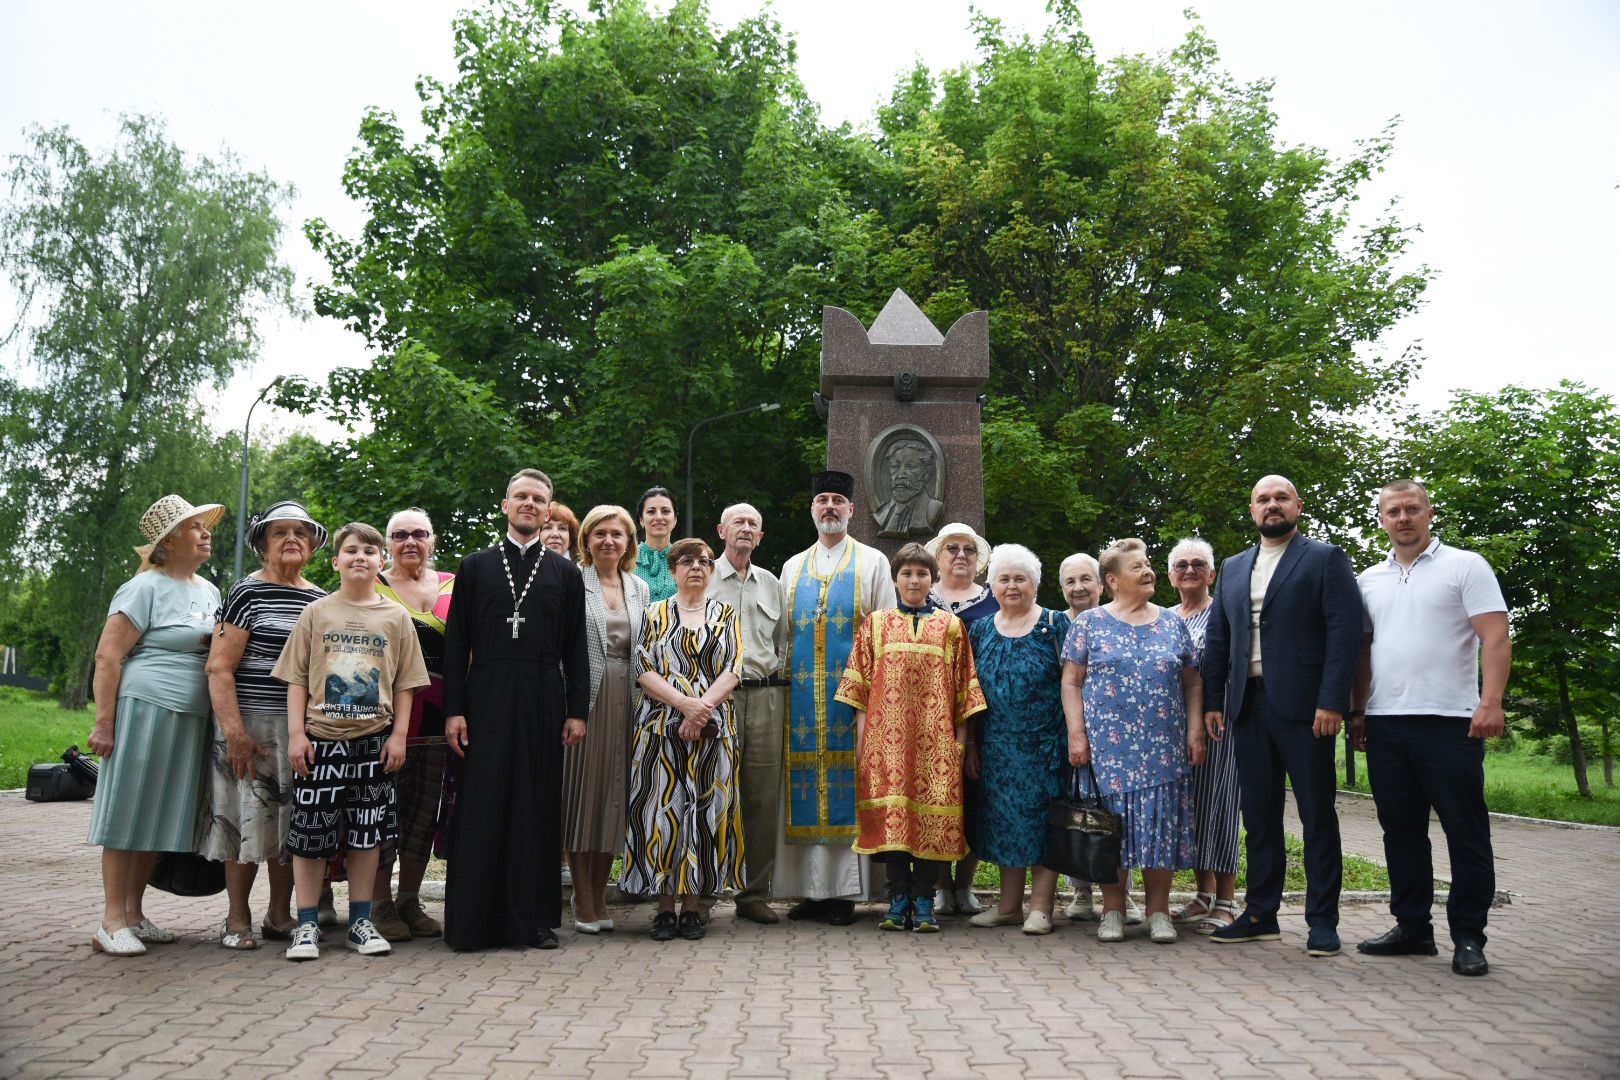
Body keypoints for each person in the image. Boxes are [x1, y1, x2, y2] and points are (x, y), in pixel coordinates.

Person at [1351, 479, 1511, 977]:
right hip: (1385, 724)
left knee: (1465, 833)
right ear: (1381, 519)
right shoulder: (1368, 579)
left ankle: (1468, 936)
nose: (1403, 518)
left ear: (1429, 513)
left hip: (1451, 722)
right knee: (1400, 834)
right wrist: (1358, 712)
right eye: (1393, 511)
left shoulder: (1465, 565)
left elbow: (1496, 635)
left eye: (1412, 509)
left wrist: (1491, 702)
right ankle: (1413, 927)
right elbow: (1363, 652)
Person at [1202, 475, 1361, 957]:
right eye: (1263, 500)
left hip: (1306, 711)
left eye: (1281, 498)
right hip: (1247, 708)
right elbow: (1217, 639)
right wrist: (1213, 700)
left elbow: (1344, 633)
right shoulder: (1232, 567)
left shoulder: (1324, 559)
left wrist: (1333, 702)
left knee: (1317, 816)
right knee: (1260, 818)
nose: (1272, 505)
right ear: (1252, 510)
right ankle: (1259, 914)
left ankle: (1322, 922)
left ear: (1298, 505)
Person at [441, 469, 590, 950]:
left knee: (536, 803)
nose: (529, 504)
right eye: (521, 497)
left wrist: (577, 710)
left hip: (544, 694)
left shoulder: (565, 573)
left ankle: (532, 920)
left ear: (549, 511)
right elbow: (457, 642)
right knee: (483, 802)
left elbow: (576, 648)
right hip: (485, 691)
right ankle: (474, 922)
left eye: (539, 499)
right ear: (505, 505)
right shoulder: (475, 566)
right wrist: (454, 709)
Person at [272, 522, 429, 962]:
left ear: (382, 563)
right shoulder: (317, 613)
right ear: (337, 561)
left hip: (374, 743)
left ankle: (361, 921)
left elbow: (405, 684)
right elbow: (297, 679)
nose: (361, 557)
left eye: (370, 551)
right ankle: (306, 925)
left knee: (367, 834)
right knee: (309, 835)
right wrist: (297, 735)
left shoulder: (396, 617)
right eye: (352, 550)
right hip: (321, 742)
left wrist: (398, 737)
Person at [86, 495, 225, 956]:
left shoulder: (209, 591)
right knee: (129, 808)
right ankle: (110, 920)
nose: (206, 533)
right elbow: (109, 656)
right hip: (146, 706)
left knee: (164, 812)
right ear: (168, 540)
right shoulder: (142, 587)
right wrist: (104, 725)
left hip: (191, 716)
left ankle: (133, 913)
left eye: (206, 527)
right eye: (194, 527)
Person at [835, 543, 986, 932]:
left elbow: (963, 690)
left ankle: (923, 900)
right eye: (907, 574)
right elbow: (860, 687)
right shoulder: (876, 623)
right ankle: (897, 897)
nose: (914, 580)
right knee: (893, 821)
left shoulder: (951, 627)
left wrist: (960, 743)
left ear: (931, 579)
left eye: (921, 574)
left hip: (936, 744)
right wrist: (863, 739)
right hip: (886, 743)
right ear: (895, 579)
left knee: (931, 821)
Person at [1062, 538, 1204, 945]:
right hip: (1109, 749)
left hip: (1164, 746)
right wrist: (1077, 734)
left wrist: (1195, 730)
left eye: (1148, 565)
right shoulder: (1089, 623)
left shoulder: (1173, 622)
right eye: (1137, 567)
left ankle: (1159, 911)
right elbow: (1071, 682)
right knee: (1112, 830)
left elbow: (1193, 683)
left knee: (1161, 828)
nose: (1148, 572)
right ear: (1112, 580)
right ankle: (1113, 909)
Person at [772, 471, 898, 924]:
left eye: (837, 501)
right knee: (804, 788)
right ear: (812, 509)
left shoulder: (873, 563)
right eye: (821, 499)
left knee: (849, 787)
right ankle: (812, 893)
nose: (829, 507)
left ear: (851, 510)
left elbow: (885, 629)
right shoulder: (792, 566)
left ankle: (844, 893)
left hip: (854, 699)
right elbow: (782, 637)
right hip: (802, 698)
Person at [200, 500, 327, 950]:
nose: (293, 539)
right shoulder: (245, 593)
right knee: (244, 820)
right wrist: (234, 733)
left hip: (299, 730)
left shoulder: (318, 600)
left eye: (301, 532)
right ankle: (237, 918)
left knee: (293, 822)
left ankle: (279, 914)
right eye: (280, 532)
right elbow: (219, 668)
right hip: (249, 727)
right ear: (261, 544)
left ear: (312, 544)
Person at [622, 538, 744, 941]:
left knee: (706, 815)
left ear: (711, 571)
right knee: (661, 812)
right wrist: (685, 706)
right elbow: (642, 667)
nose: (696, 567)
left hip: (713, 732)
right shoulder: (653, 613)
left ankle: (693, 908)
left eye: (704, 561)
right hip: (659, 728)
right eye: (687, 561)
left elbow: (734, 668)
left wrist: (701, 709)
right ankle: (663, 908)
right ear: (672, 570)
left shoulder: (725, 614)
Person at [963, 544, 1068, 935]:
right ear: (991, 586)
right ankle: (1008, 906)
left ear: (1035, 584)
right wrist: (971, 744)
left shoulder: (1055, 625)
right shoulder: (980, 630)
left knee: (1044, 824)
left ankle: (1041, 907)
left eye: (1020, 578)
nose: (1012, 586)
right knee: (1006, 825)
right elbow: (970, 692)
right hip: (996, 746)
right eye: (1004, 579)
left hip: (1045, 745)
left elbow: (1074, 684)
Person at [368, 507, 457, 942]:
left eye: (419, 534)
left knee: (424, 813)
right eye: (400, 535)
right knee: (384, 811)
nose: (410, 542)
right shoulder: (372, 584)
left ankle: (409, 899)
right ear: (387, 543)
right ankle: (379, 903)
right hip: (386, 717)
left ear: (432, 540)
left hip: (441, 716)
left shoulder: (453, 585)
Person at [564, 504, 649, 933]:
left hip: (628, 699)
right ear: (587, 541)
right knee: (585, 796)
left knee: (616, 795)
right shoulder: (571, 582)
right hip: (587, 697)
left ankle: (601, 892)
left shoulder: (640, 588)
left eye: (617, 534)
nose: (608, 541)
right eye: (599, 534)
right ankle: (581, 895)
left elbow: (644, 650)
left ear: (629, 542)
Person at [707, 502, 788, 925]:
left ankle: (753, 893)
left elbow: (781, 642)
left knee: (761, 797)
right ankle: (700, 894)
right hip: (715, 701)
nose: (745, 528)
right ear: (721, 530)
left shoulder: (771, 584)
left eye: (753, 524)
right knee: (710, 791)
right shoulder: (703, 578)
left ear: (761, 536)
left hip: (764, 699)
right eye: (738, 522)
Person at [1165, 537, 1240, 934]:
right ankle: (1203, 893)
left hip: (1218, 724)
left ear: (1212, 574)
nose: (1190, 570)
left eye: (1198, 564)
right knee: (1192, 810)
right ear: (1171, 575)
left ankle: (1227, 901)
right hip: (1174, 729)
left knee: (1220, 806)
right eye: (1182, 565)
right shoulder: (1165, 617)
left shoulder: (1223, 616)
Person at [923, 523, 997, 915]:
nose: (960, 555)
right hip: (928, 716)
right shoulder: (921, 599)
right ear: (938, 556)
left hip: (982, 715)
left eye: (969, 549)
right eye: (952, 548)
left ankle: (965, 884)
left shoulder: (992, 601)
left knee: (973, 799)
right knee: (933, 796)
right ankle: (938, 885)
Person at [1056, 551, 1125, 924]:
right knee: (1079, 812)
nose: (1079, 587)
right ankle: (1081, 891)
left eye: (1086, 579)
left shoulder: (1121, 619)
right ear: (1062, 588)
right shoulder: (1052, 626)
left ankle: (1120, 896)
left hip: (1114, 734)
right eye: (1071, 581)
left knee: (1115, 814)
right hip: (1068, 731)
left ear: (1102, 583)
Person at [873, 439, 945, 539]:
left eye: (911, 466)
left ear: (926, 474)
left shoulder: (933, 508)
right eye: (895, 466)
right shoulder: (882, 513)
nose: (900, 475)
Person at [634, 486, 679, 603]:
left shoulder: (685, 560)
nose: (659, 517)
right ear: (641, 520)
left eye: (666, 511)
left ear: (674, 520)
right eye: (651, 511)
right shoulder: (626, 558)